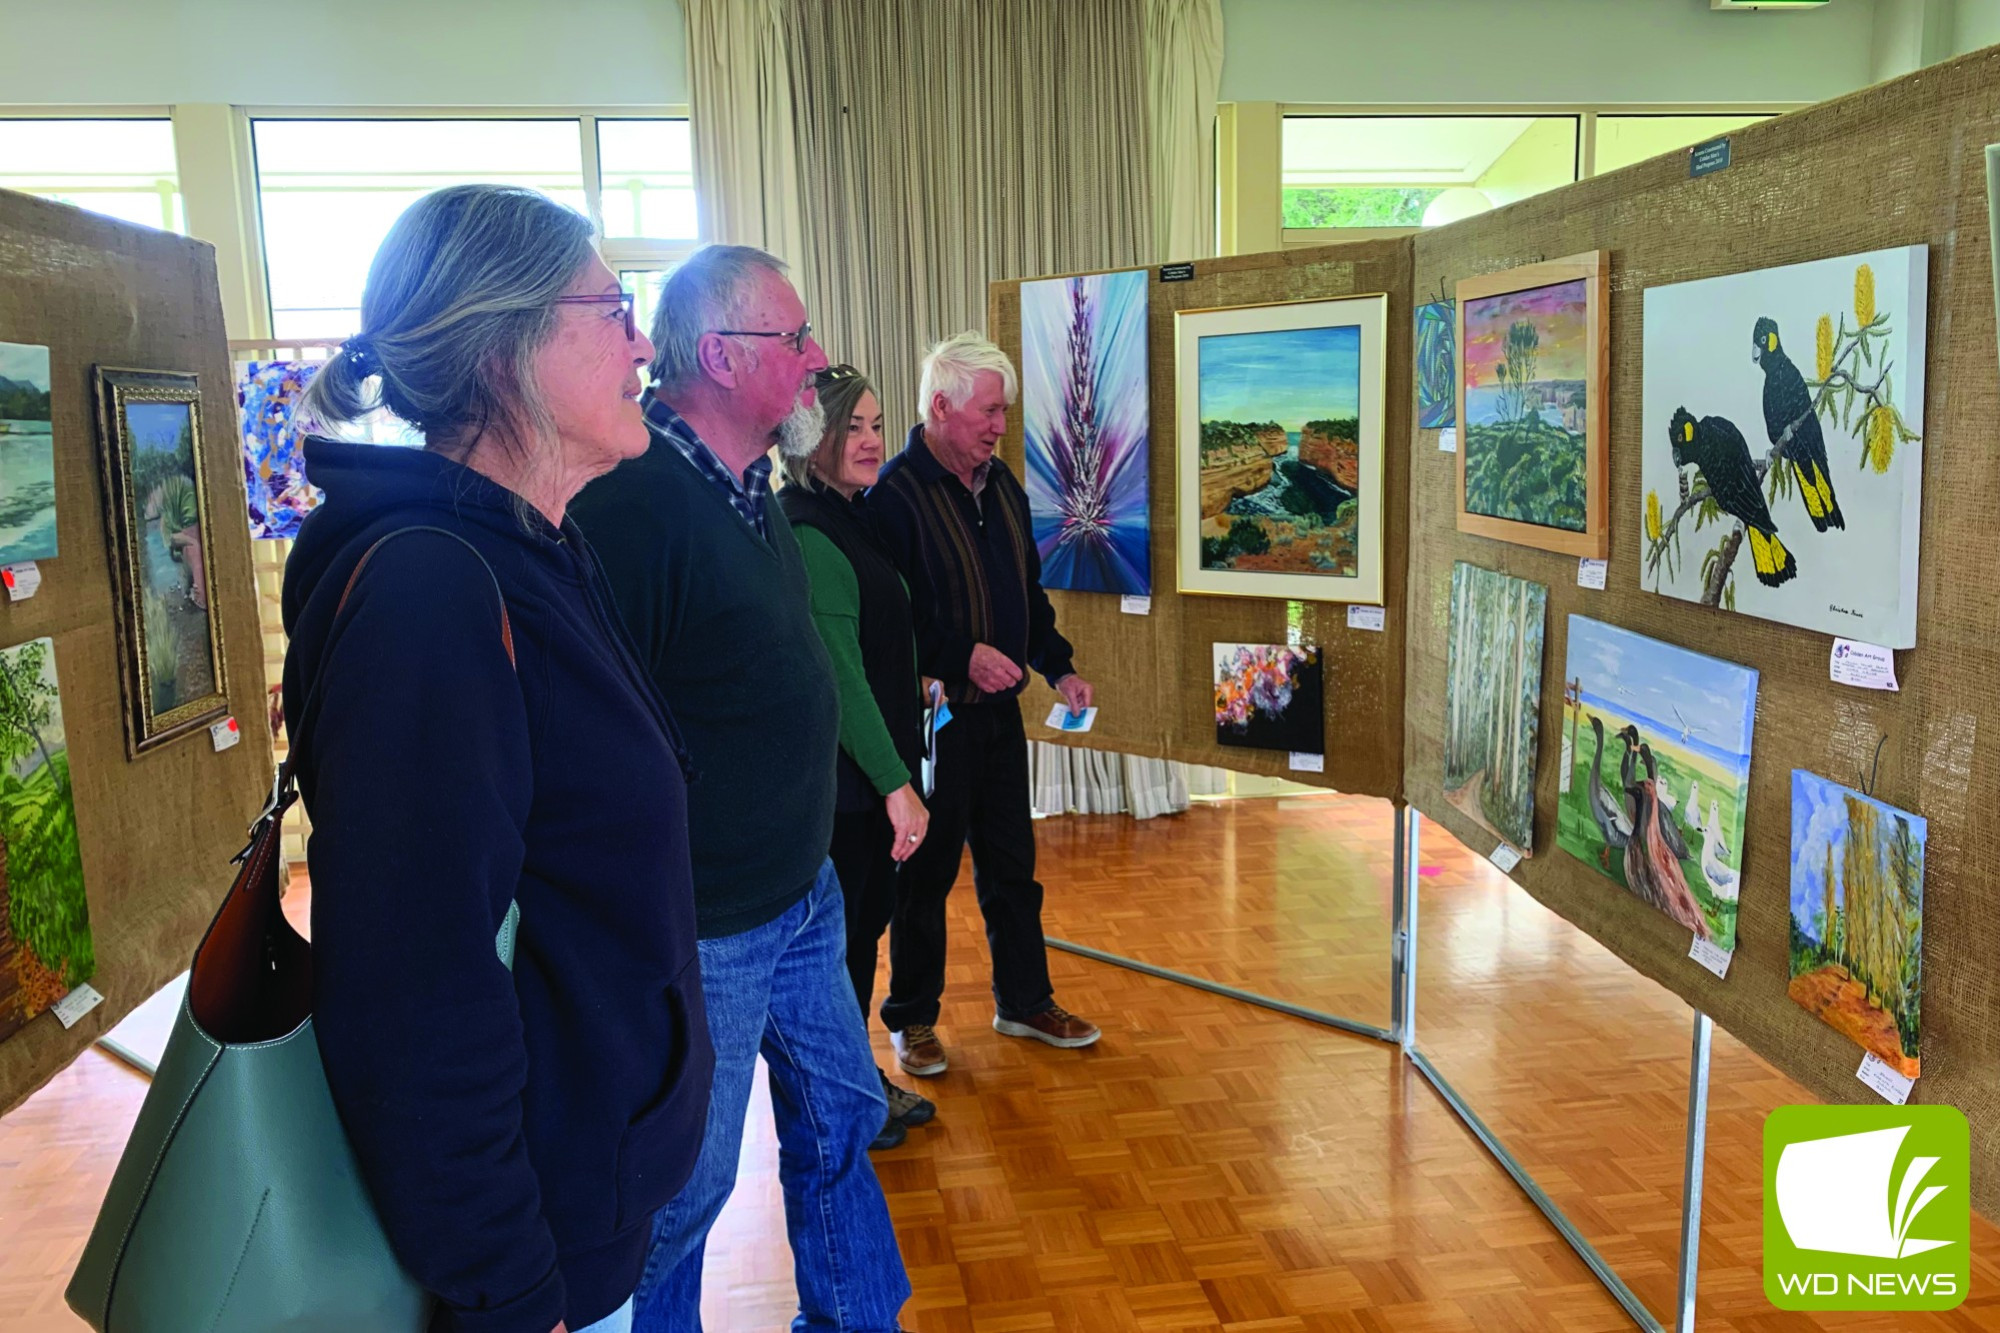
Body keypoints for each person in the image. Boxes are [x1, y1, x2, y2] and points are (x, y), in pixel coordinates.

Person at [283, 184, 713, 1333]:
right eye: (614, 308)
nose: (641, 341)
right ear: (506, 345)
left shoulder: (536, 549)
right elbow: (415, 987)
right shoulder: (435, 593)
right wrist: (509, 1290)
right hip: (531, 1259)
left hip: (586, 1199)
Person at [569, 247, 912, 1333]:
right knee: (682, 1189)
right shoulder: (635, 505)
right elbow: (602, 737)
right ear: (719, 356)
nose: (817, 365)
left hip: (798, 890)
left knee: (842, 1117)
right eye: (796, 342)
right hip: (707, 921)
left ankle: (854, 1318)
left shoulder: (747, 482)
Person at [868, 332, 1101, 1078]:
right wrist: (957, 655)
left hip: (1001, 719)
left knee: (1014, 867)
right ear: (941, 408)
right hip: (934, 724)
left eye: (1003, 411)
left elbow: (1026, 597)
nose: (1001, 425)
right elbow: (890, 622)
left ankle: (1024, 1000)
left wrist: (1058, 668)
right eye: (989, 411)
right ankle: (911, 1018)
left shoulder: (1003, 487)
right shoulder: (892, 497)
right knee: (924, 877)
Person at [775, 364, 937, 1150]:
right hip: (845, 793)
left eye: (878, 425)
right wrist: (898, 786)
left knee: (860, 937)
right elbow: (840, 677)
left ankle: (856, 1081)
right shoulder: (808, 528)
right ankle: (836, 1099)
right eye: (854, 428)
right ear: (816, 438)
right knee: (836, 953)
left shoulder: (850, 515)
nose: (872, 441)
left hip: (864, 786)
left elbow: (870, 643)